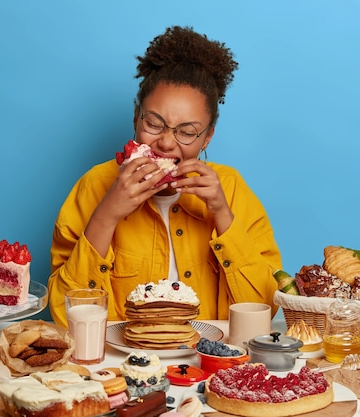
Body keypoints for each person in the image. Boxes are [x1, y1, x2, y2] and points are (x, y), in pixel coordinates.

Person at [48, 26, 281, 327]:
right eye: (154, 124)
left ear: (207, 138)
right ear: (136, 117)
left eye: (186, 132)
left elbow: (264, 309)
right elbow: (66, 318)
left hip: (208, 364)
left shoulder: (232, 189)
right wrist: (107, 215)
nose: (167, 143)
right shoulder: (94, 185)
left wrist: (222, 215)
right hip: (120, 366)